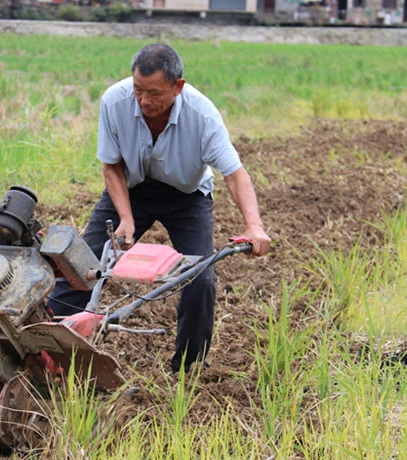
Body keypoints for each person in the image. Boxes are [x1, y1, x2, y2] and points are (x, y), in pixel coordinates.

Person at [46, 43, 271, 374]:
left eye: (154, 92)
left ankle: (190, 367)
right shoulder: (114, 101)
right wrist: (125, 218)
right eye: (138, 89)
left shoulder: (202, 115)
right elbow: (112, 167)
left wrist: (254, 226)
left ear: (178, 87)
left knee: (200, 278)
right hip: (131, 189)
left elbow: (234, 175)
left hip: (187, 196)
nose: (144, 100)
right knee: (80, 265)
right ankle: (49, 353)